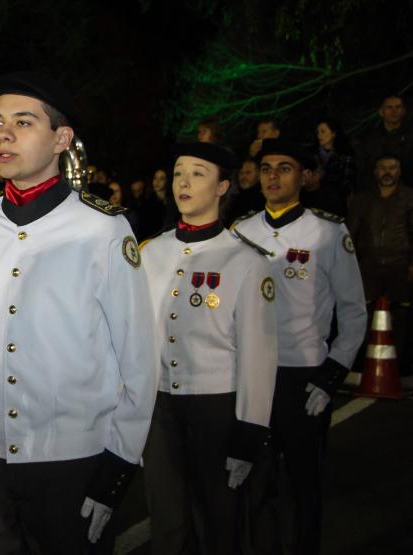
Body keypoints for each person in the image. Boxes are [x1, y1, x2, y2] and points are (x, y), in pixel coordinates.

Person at [0, 71, 158, 553]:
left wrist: (120, 462)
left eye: (24, 122)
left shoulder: (102, 231)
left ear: (62, 139)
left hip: (73, 458)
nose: (3, 133)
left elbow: (138, 358)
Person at [139, 142, 277, 554]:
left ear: (222, 186)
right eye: (179, 171)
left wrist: (250, 430)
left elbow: (260, 353)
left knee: (219, 521)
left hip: (216, 407)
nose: (183, 181)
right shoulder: (151, 253)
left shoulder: (246, 261)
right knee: (166, 522)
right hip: (160, 406)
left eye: (198, 173)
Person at [231, 138, 367, 555]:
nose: (272, 176)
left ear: (304, 177)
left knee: (304, 483)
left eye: (284, 168)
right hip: (252, 376)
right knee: (254, 483)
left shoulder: (327, 232)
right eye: (266, 168)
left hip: (303, 377)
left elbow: (354, 310)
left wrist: (332, 373)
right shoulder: (240, 231)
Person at [348, 154, 413, 374]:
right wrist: (350, 265)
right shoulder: (362, 199)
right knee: (363, 315)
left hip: (400, 265)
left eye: (392, 167)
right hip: (369, 265)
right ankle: (362, 365)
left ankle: (400, 367)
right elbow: (351, 234)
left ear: (399, 171)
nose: (387, 172)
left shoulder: (409, 198)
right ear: (375, 171)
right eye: (382, 168)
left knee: (402, 318)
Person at [356, 95, 413, 188]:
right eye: (389, 107)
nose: (394, 111)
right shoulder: (369, 138)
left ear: (403, 111)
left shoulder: (410, 137)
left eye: (398, 107)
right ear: (381, 112)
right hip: (375, 192)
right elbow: (362, 168)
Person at [314, 117, 356, 199]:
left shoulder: (345, 156)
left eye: (323, 131)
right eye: (317, 132)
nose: (319, 135)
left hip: (335, 200)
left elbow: (348, 183)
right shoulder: (314, 155)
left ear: (333, 133)